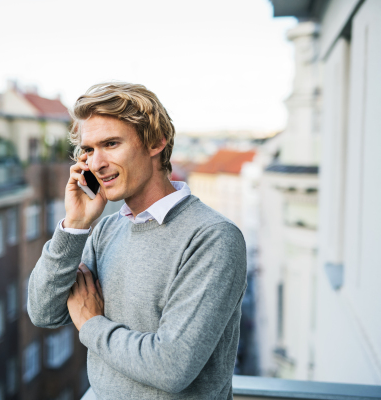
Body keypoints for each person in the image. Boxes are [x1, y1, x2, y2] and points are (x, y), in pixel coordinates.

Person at [27, 82, 247, 399]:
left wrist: (91, 325)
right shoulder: (106, 230)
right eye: (88, 150)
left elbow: (171, 367)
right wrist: (74, 226)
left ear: (156, 142)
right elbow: (43, 312)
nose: (97, 163)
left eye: (111, 144)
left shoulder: (212, 237)